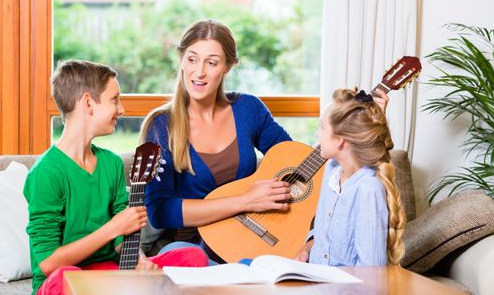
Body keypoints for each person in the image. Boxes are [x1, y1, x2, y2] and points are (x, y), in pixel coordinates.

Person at [140, 20, 391, 261]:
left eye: (212, 62)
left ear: (227, 66)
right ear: (181, 60)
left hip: (259, 240)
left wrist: (362, 127)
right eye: (192, 59)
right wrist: (245, 200)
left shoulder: (248, 109)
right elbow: (160, 212)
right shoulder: (161, 126)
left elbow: (299, 164)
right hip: (199, 246)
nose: (199, 72)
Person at [23, 60, 208, 295]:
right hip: (63, 281)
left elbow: (123, 238)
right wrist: (112, 228)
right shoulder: (47, 173)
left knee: (192, 256)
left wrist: (139, 261)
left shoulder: (111, 163)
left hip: (110, 274)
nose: (122, 109)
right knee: (65, 278)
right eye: (115, 100)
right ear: (89, 103)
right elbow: (49, 263)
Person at [294, 88, 406, 266]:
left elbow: (371, 274)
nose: (318, 135)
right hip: (312, 277)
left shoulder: (369, 189)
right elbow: (324, 231)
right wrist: (307, 248)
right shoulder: (331, 168)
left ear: (340, 139)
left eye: (322, 127)